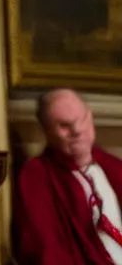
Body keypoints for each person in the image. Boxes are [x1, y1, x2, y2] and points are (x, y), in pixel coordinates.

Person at [13, 88, 122, 264]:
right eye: (64, 125)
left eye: (82, 119)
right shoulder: (36, 177)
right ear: (46, 132)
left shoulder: (113, 167)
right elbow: (44, 250)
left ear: (91, 116)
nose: (77, 130)